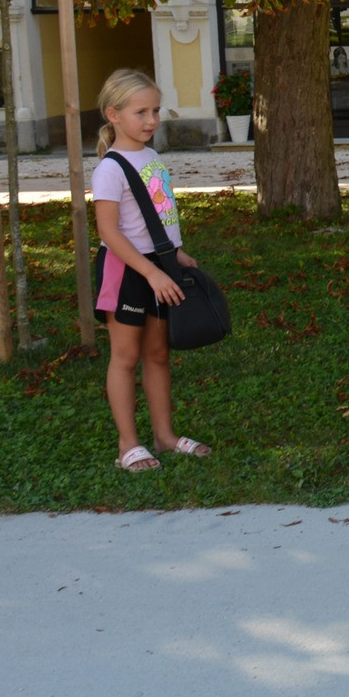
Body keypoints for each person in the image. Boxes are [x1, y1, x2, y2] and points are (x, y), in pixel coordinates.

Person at [91, 68, 212, 473]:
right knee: (125, 357)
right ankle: (129, 444)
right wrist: (151, 273)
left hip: (160, 267)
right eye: (140, 112)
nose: (151, 120)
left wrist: (173, 255)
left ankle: (164, 435)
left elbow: (155, 215)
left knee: (158, 355)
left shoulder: (152, 158)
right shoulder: (110, 168)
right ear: (114, 114)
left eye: (156, 111)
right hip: (127, 272)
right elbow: (109, 231)